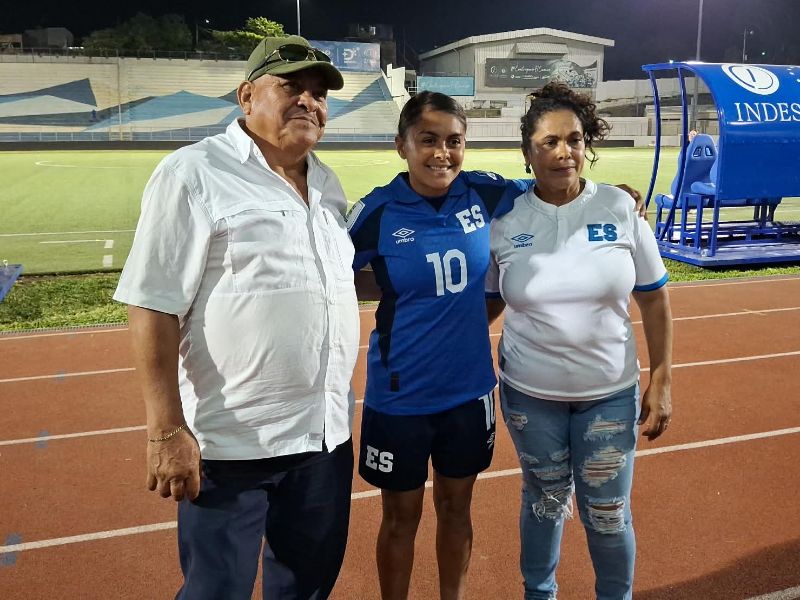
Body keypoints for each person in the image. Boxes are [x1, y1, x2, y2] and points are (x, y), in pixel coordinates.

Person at [346, 91, 645, 600]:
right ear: (402, 145)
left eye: (454, 141)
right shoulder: (375, 212)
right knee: (399, 517)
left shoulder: (484, 193)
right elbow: (331, 270)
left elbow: (551, 184)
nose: (442, 153)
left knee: (456, 510)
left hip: (468, 391)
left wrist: (608, 192)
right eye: (428, 140)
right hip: (399, 393)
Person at [113, 35, 359, 600]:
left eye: (319, 93)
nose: (308, 101)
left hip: (323, 439)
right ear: (246, 96)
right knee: (216, 591)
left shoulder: (327, 183)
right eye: (291, 87)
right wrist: (166, 430)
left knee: (307, 588)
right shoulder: (193, 172)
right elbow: (151, 302)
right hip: (231, 447)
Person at [486, 82, 673, 600]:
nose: (564, 152)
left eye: (574, 139)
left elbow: (654, 299)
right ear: (527, 152)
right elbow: (487, 302)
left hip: (609, 393)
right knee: (544, 502)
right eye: (549, 142)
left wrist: (661, 378)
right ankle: (539, 594)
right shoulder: (504, 221)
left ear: (586, 143)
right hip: (530, 397)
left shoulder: (619, 208)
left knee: (608, 514)